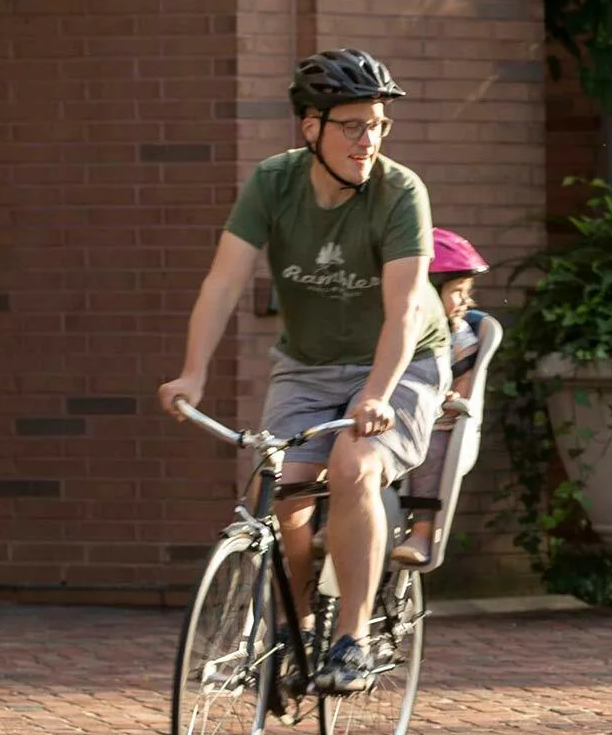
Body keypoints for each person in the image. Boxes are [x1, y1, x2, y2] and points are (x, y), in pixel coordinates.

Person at [159, 50, 450, 696]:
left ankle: (350, 637)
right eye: (352, 125)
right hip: (309, 364)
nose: (368, 139)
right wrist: (192, 373)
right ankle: (289, 627)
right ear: (310, 128)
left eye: (377, 124)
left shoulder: (400, 193)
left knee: (353, 466)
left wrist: (377, 394)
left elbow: (403, 311)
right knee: (284, 489)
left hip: (401, 361)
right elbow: (223, 280)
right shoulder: (273, 184)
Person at [391, 228, 491, 570]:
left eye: (467, 292)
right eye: (456, 292)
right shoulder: (394, 326)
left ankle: (421, 530)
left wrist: (453, 394)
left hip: (435, 423)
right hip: (393, 417)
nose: (465, 301)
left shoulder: (459, 335)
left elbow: (465, 376)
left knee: (430, 455)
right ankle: (334, 524)